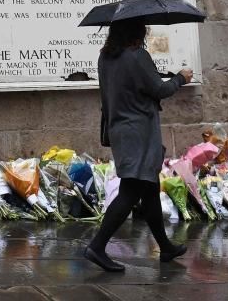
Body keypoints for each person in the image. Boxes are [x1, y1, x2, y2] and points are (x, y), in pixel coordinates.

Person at [84, 20, 192, 272]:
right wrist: (180, 78)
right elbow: (160, 89)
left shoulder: (105, 58)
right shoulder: (137, 56)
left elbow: (130, 87)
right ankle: (97, 247)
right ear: (136, 32)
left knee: (149, 188)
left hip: (120, 129)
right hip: (139, 133)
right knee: (131, 191)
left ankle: (165, 247)